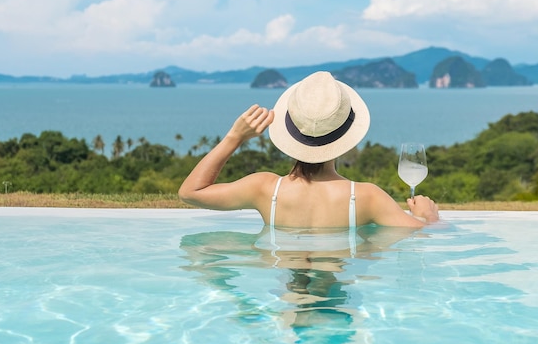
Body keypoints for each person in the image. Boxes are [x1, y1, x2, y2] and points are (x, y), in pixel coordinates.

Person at [179, 71, 439, 229]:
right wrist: (427, 218)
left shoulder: (264, 189)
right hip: (338, 309)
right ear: (347, 137)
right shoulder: (367, 197)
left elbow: (190, 192)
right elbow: (423, 237)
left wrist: (234, 137)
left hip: (287, 311)